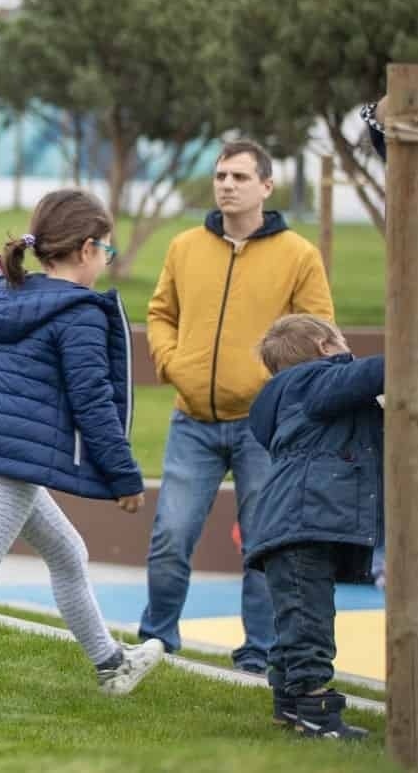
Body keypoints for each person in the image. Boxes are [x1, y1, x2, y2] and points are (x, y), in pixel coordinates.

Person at [0, 189, 165, 711]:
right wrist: (124, 478)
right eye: (106, 252)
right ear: (87, 249)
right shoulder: (80, 313)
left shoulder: (1, 293)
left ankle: (112, 664)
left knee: (68, 552)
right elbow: (94, 401)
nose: (104, 262)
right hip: (9, 463)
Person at [137, 139, 336, 673]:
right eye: (221, 175)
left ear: (266, 187)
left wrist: (280, 394)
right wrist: (173, 363)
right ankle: (156, 641)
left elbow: (319, 336)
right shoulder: (184, 247)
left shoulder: (298, 255)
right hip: (192, 421)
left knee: (263, 543)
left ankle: (258, 656)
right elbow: (160, 314)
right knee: (170, 538)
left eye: (240, 177)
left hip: (264, 429)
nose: (226, 184)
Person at [242, 314, 381, 740]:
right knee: (309, 624)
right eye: (343, 344)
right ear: (324, 347)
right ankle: (317, 712)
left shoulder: (295, 399)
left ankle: (287, 705)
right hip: (303, 520)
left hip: (296, 521)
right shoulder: (312, 383)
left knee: (296, 619)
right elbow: (370, 374)